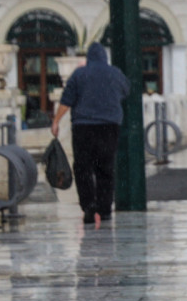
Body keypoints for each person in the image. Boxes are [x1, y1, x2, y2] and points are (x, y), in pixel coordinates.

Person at [51, 42, 130, 224]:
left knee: (83, 168)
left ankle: (88, 206)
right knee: (106, 167)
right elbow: (126, 90)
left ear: (89, 57)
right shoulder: (115, 73)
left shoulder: (79, 74)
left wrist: (56, 121)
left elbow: (66, 100)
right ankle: (105, 208)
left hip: (83, 127)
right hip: (109, 126)